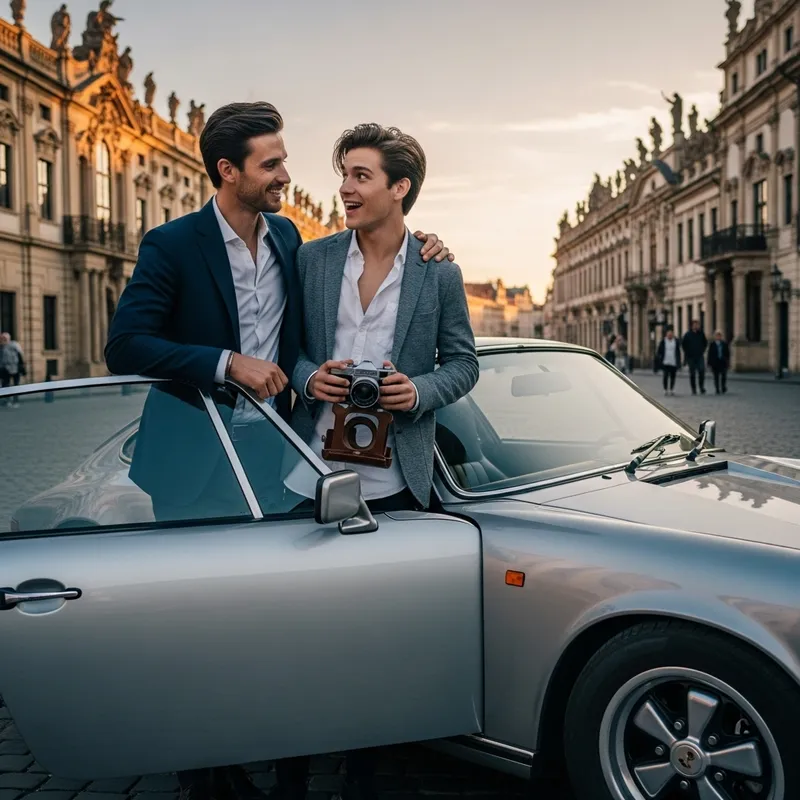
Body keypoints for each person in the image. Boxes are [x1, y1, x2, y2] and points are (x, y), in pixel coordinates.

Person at [105, 102, 452, 800]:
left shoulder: (291, 238)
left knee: (260, 619)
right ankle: (205, 772)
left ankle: (264, 743)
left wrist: (424, 247)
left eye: (285, 161)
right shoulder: (172, 244)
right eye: (271, 164)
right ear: (228, 171)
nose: (287, 177)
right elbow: (125, 344)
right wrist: (226, 362)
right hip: (192, 458)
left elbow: (337, 295)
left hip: (273, 459)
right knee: (196, 625)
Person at [283, 123, 479, 800]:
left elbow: (463, 364)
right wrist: (313, 378)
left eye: (361, 176)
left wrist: (417, 391)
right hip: (310, 474)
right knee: (301, 635)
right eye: (343, 174)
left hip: (396, 483)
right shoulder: (312, 259)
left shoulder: (439, 271)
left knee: (375, 641)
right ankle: (289, 770)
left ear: (401, 188)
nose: (345, 188)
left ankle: (363, 774)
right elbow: (287, 353)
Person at [681, 319, 708, 395]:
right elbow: (683, 344)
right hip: (691, 357)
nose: (696, 326)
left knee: (701, 371)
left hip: (699, 356)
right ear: (692, 326)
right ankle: (693, 388)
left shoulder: (701, 334)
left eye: (697, 325)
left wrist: (702, 350)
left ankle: (701, 387)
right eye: (694, 324)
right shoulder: (688, 334)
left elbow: (705, 343)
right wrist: (688, 352)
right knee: (692, 373)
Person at [0, 332, 24, 408]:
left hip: (15, 368)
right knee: (5, 385)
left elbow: (20, 355)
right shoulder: (1, 347)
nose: (3, 340)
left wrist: (22, 366)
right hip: (5, 369)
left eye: (4, 338)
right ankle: (7, 400)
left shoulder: (14, 345)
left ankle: (15, 401)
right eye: (2, 338)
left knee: (15, 386)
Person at [655, 326, 681, 396]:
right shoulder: (663, 341)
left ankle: (672, 389)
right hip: (665, 362)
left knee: (673, 376)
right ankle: (665, 389)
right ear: (666, 334)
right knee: (665, 376)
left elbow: (678, 352)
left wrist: (679, 362)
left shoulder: (676, 341)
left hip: (673, 361)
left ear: (673, 334)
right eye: (668, 334)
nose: (670, 335)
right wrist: (659, 359)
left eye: (671, 334)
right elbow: (659, 351)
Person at [707, 329, 730, 394]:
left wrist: (728, 362)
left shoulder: (724, 344)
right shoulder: (712, 344)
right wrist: (709, 363)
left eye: (719, 335)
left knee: (723, 376)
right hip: (715, 363)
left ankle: (723, 387)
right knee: (716, 377)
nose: (718, 337)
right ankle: (717, 389)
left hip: (723, 362)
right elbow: (710, 354)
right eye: (717, 335)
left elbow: (727, 353)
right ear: (715, 336)